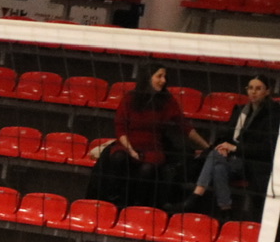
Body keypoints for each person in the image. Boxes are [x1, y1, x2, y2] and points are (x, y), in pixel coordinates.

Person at [89, 66, 208, 208]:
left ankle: (137, 205)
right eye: (159, 76)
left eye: (165, 77)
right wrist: (131, 150)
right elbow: (120, 128)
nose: (163, 80)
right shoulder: (130, 98)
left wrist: (208, 147)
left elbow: (185, 127)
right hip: (128, 144)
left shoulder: (168, 101)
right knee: (118, 158)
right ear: (148, 77)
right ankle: (114, 201)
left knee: (147, 169)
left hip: (153, 147)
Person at [181, 74, 280, 218]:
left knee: (215, 157)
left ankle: (197, 196)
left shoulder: (274, 114)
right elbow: (227, 136)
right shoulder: (240, 110)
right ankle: (225, 209)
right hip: (235, 158)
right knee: (218, 166)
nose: (253, 92)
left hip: (256, 162)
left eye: (258, 88)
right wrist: (224, 148)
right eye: (250, 88)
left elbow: (268, 149)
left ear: (267, 91)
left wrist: (235, 149)